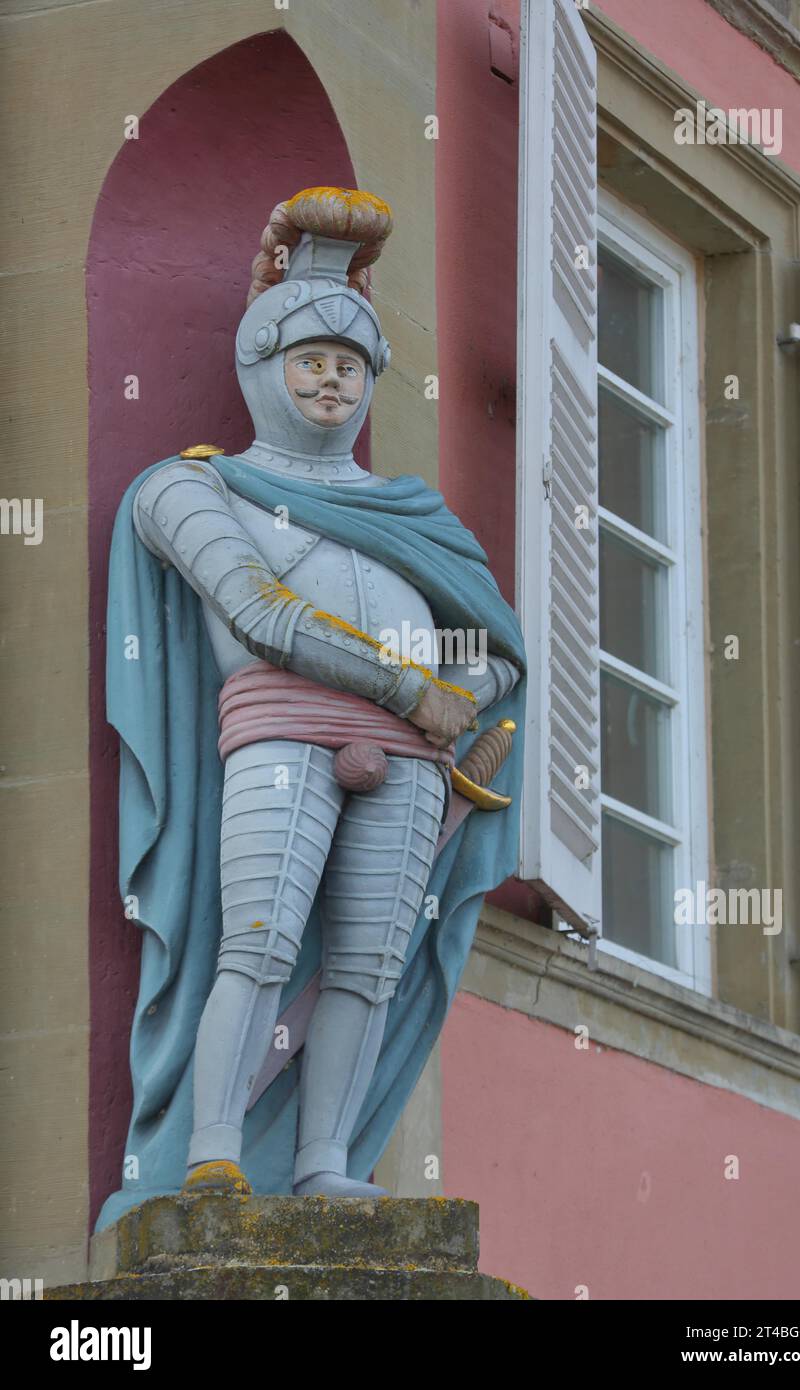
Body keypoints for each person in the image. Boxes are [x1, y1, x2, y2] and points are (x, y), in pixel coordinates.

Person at [98, 188, 526, 1225]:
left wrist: (457, 691)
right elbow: (254, 608)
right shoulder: (191, 488)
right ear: (262, 368)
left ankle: (326, 1158)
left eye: (350, 365)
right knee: (255, 936)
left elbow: (495, 647)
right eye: (312, 360)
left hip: (416, 760)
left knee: (372, 965)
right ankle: (206, 1152)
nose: (332, 380)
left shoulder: (412, 510)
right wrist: (409, 687)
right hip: (282, 730)